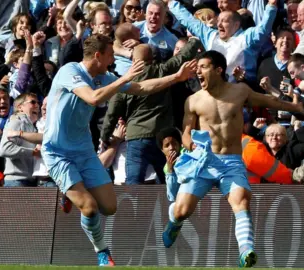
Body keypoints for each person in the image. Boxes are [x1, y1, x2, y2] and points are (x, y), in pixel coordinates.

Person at [42, 34, 196, 266]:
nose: (113, 59)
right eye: (111, 54)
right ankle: (102, 251)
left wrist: (176, 77)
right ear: (98, 56)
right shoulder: (69, 71)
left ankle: (70, 190)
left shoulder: (103, 77)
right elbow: (93, 98)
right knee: (90, 208)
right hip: (57, 152)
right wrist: (121, 79)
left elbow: (142, 87)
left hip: (84, 152)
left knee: (109, 207)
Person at [162, 50, 304, 268]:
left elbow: (266, 100)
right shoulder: (193, 100)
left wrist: (293, 107)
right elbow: (186, 131)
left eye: (202, 67)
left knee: (242, 201)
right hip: (203, 160)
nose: (197, 71)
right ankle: (174, 222)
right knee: (182, 211)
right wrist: (188, 142)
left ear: (218, 70)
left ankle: (246, 251)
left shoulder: (239, 91)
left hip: (231, 161)